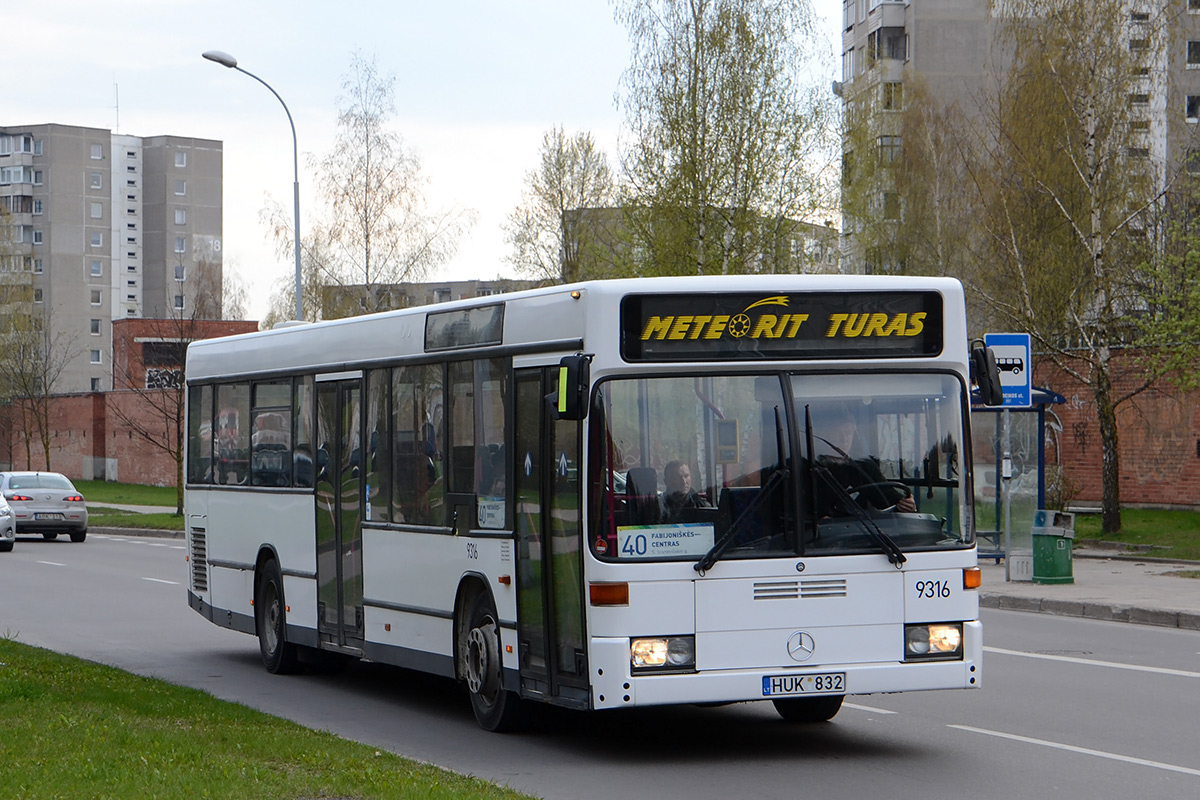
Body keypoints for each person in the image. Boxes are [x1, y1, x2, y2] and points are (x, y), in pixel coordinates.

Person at [809, 403, 916, 516]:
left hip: (863, 529)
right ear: (823, 434)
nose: (844, 439)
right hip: (823, 531)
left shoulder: (864, 466)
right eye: (838, 433)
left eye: (848, 433)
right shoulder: (809, 466)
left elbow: (886, 496)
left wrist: (906, 505)